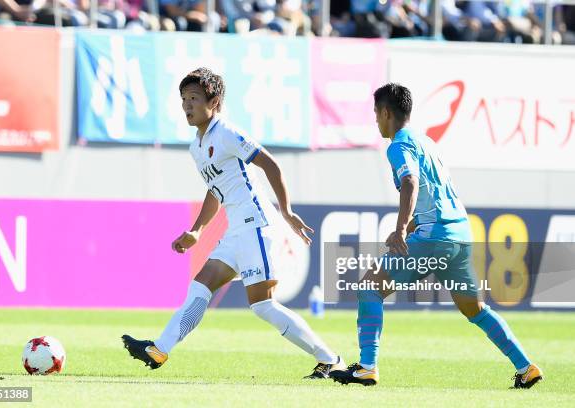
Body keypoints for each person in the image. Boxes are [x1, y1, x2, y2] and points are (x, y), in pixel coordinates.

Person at [122, 67, 345, 379]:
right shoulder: (196, 146)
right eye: (184, 98)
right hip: (236, 231)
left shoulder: (226, 133)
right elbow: (216, 190)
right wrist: (197, 231)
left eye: (194, 98)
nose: (187, 104)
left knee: (262, 306)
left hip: (256, 225)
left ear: (214, 103)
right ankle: (159, 348)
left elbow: (271, 164)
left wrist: (286, 211)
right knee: (201, 284)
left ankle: (330, 359)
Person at [329, 83, 543, 389]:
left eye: (376, 113)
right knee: (475, 309)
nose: (375, 120)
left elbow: (411, 183)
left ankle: (366, 366)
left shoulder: (399, 145)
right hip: (460, 235)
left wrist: (402, 228)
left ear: (386, 113)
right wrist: (415, 224)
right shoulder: (426, 142)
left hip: (436, 237)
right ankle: (526, 367)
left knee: (369, 287)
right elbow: (435, 196)